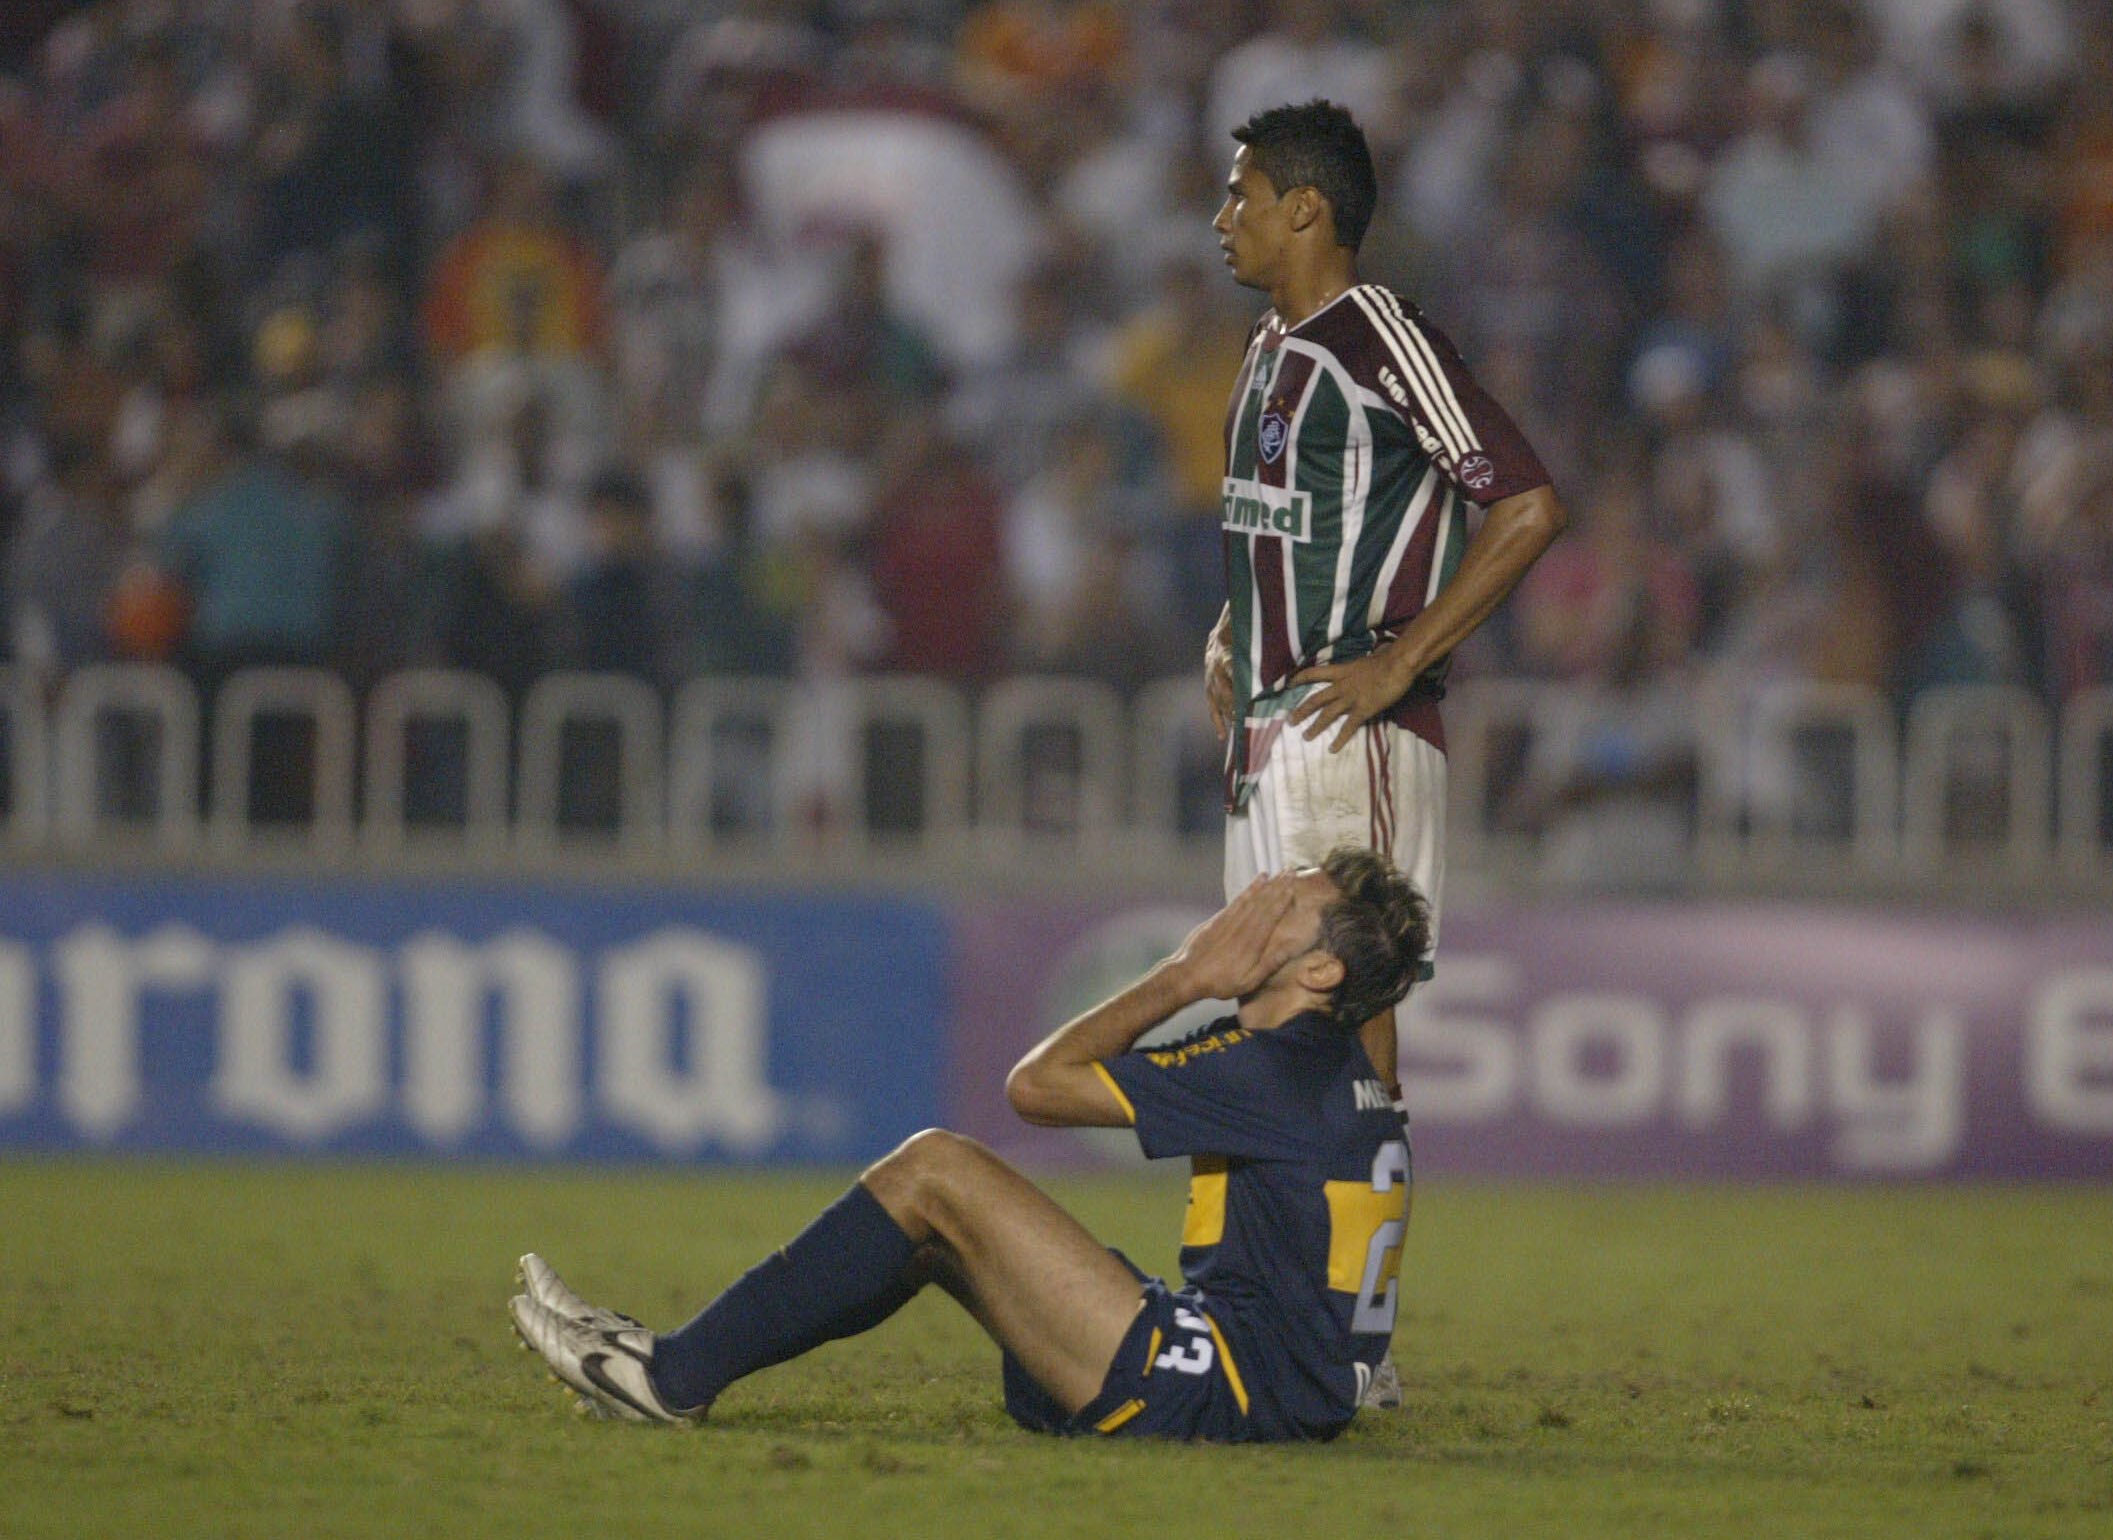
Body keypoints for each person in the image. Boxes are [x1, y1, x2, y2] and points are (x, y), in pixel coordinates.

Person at [510, 850, 1430, 1443]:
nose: (1252, 905)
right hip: (1275, 1383)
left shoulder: (1265, 1070)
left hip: (1225, 1388)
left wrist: (1187, 974)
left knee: (935, 1169)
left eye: (1284, 907)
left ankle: (666, 1379)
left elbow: (1035, 1087)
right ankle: (682, 1361)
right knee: (931, 1231)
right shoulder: (1343, 1059)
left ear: (1319, 971)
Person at [1201, 101, 1566, 1104]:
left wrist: (1399, 661)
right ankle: (1279, 1258)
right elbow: (1279, 517)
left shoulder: (1380, 339)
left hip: (1347, 724)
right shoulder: (1269, 344)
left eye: (1240, 196)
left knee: (1341, 1008)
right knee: (1270, 1009)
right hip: (1271, 731)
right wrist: (1232, 628)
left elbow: (1527, 507)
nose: (1220, 218)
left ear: (1306, 209)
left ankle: (1360, 1255)